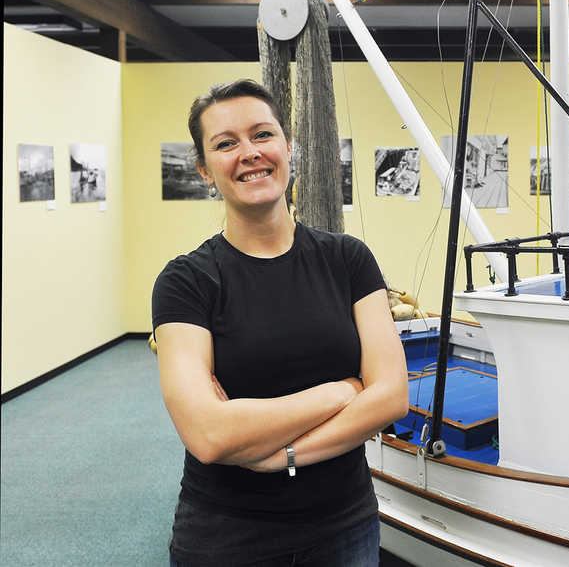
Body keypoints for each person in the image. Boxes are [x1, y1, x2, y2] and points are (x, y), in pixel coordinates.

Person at [152, 79, 408, 566]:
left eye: (262, 135)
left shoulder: (348, 260)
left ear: (288, 149)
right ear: (206, 171)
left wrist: (277, 456)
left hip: (345, 526)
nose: (248, 152)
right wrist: (342, 391)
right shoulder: (187, 281)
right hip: (228, 535)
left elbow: (392, 396)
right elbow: (208, 435)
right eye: (226, 144)